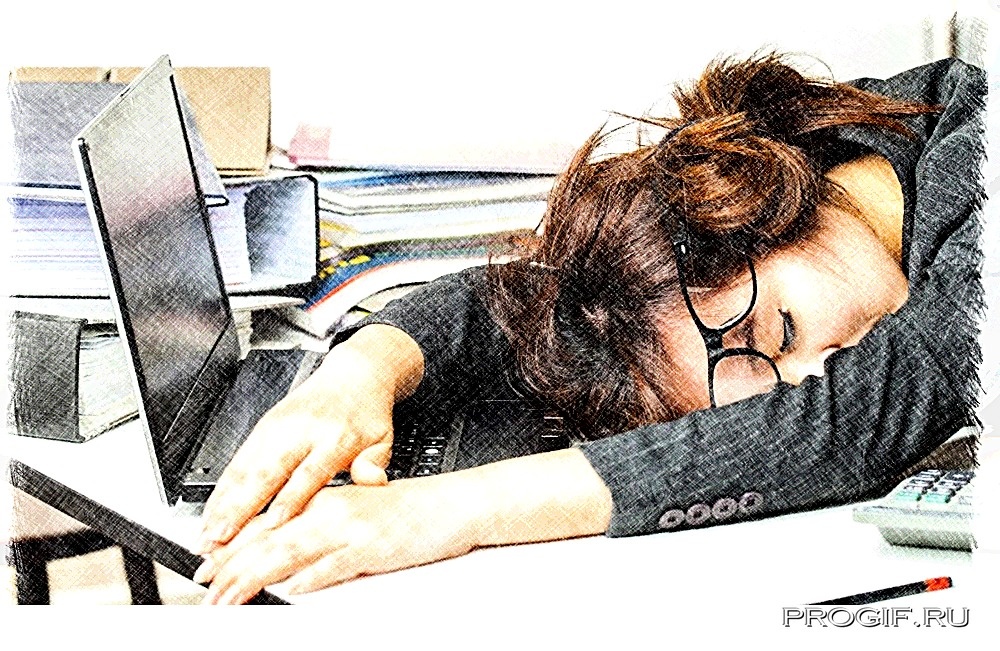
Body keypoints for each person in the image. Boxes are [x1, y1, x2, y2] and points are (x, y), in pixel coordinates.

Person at [190, 53, 986, 605]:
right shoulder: (860, 158)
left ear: (767, 199)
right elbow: (535, 302)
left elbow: (865, 409)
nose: (823, 372)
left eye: (781, 331)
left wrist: (439, 512)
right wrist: (357, 376)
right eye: (771, 394)